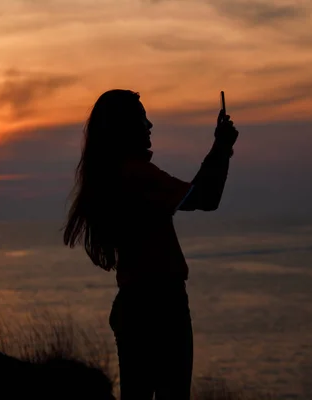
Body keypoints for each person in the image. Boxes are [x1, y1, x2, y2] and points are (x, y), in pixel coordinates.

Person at [63, 89, 239, 399]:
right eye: (143, 118)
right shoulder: (136, 174)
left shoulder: (111, 177)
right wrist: (222, 146)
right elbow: (205, 197)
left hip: (133, 305)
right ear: (126, 126)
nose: (150, 125)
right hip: (160, 306)